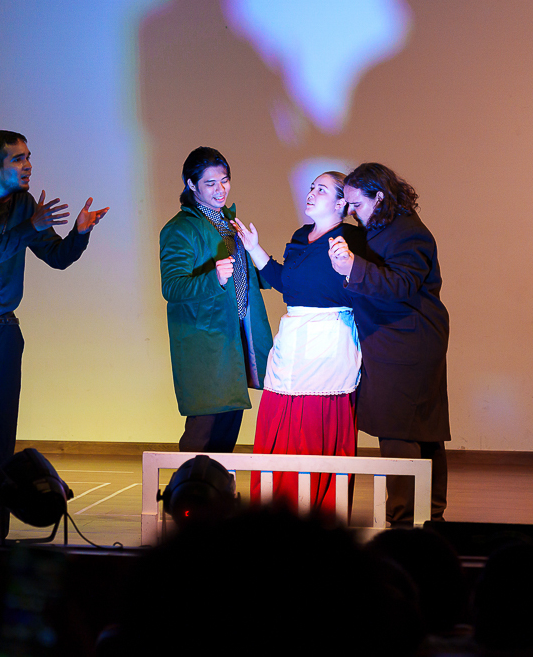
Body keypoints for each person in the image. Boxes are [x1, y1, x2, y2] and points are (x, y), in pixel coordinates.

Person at [0, 130, 108, 541]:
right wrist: (29, 227)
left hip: (5, 335)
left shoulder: (26, 206)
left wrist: (80, 233)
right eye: (17, 159)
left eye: (28, 157)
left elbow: (57, 257)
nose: (28, 165)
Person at [232, 172, 365, 517]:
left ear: (341, 203)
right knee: (279, 420)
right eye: (311, 187)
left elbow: (362, 287)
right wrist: (253, 249)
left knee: (314, 426)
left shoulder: (352, 238)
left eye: (321, 189)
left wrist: (348, 266)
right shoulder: (300, 236)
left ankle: (318, 515)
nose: (311, 193)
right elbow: (286, 283)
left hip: (328, 342)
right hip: (292, 341)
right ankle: (276, 512)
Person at [328, 163, 449, 526]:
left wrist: (352, 267)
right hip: (403, 339)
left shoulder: (408, 232)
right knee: (419, 429)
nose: (351, 212)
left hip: (407, 341)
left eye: (357, 204)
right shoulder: (387, 225)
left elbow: (401, 285)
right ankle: (427, 517)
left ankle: (406, 522)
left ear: (379, 197)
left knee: (401, 429)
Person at [160, 146, 273, 452]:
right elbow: (172, 287)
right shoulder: (180, 229)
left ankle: (214, 497)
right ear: (191, 185)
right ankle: (185, 497)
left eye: (224, 180)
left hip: (234, 338)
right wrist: (215, 277)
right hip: (205, 342)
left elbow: (247, 277)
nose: (220, 189)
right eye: (210, 183)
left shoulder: (229, 223)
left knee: (226, 432)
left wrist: (264, 260)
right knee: (203, 433)